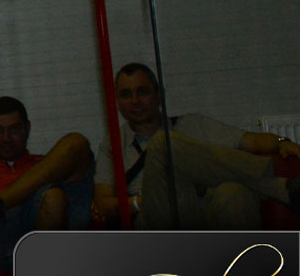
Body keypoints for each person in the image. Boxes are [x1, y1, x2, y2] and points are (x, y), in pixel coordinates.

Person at [92, 62, 300, 228]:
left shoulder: (191, 124)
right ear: (118, 102)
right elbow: (103, 203)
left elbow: (249, 140)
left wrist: (282, 142)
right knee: (162, 142)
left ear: (158, 95)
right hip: (154, 213)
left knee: (233, 192)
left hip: (201, 207)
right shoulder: (114, 143)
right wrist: (139, 201)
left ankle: (246, 272)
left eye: (142, 92)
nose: (135, 101)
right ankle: (280, 187)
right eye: (126, 95)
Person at [0, 96, 93, 271]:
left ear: (27, 128)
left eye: (14, 129)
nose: (6, 138)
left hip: (56, 224)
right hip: (2, 238)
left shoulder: (48, 164)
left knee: (76, 143)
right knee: (52, 196)